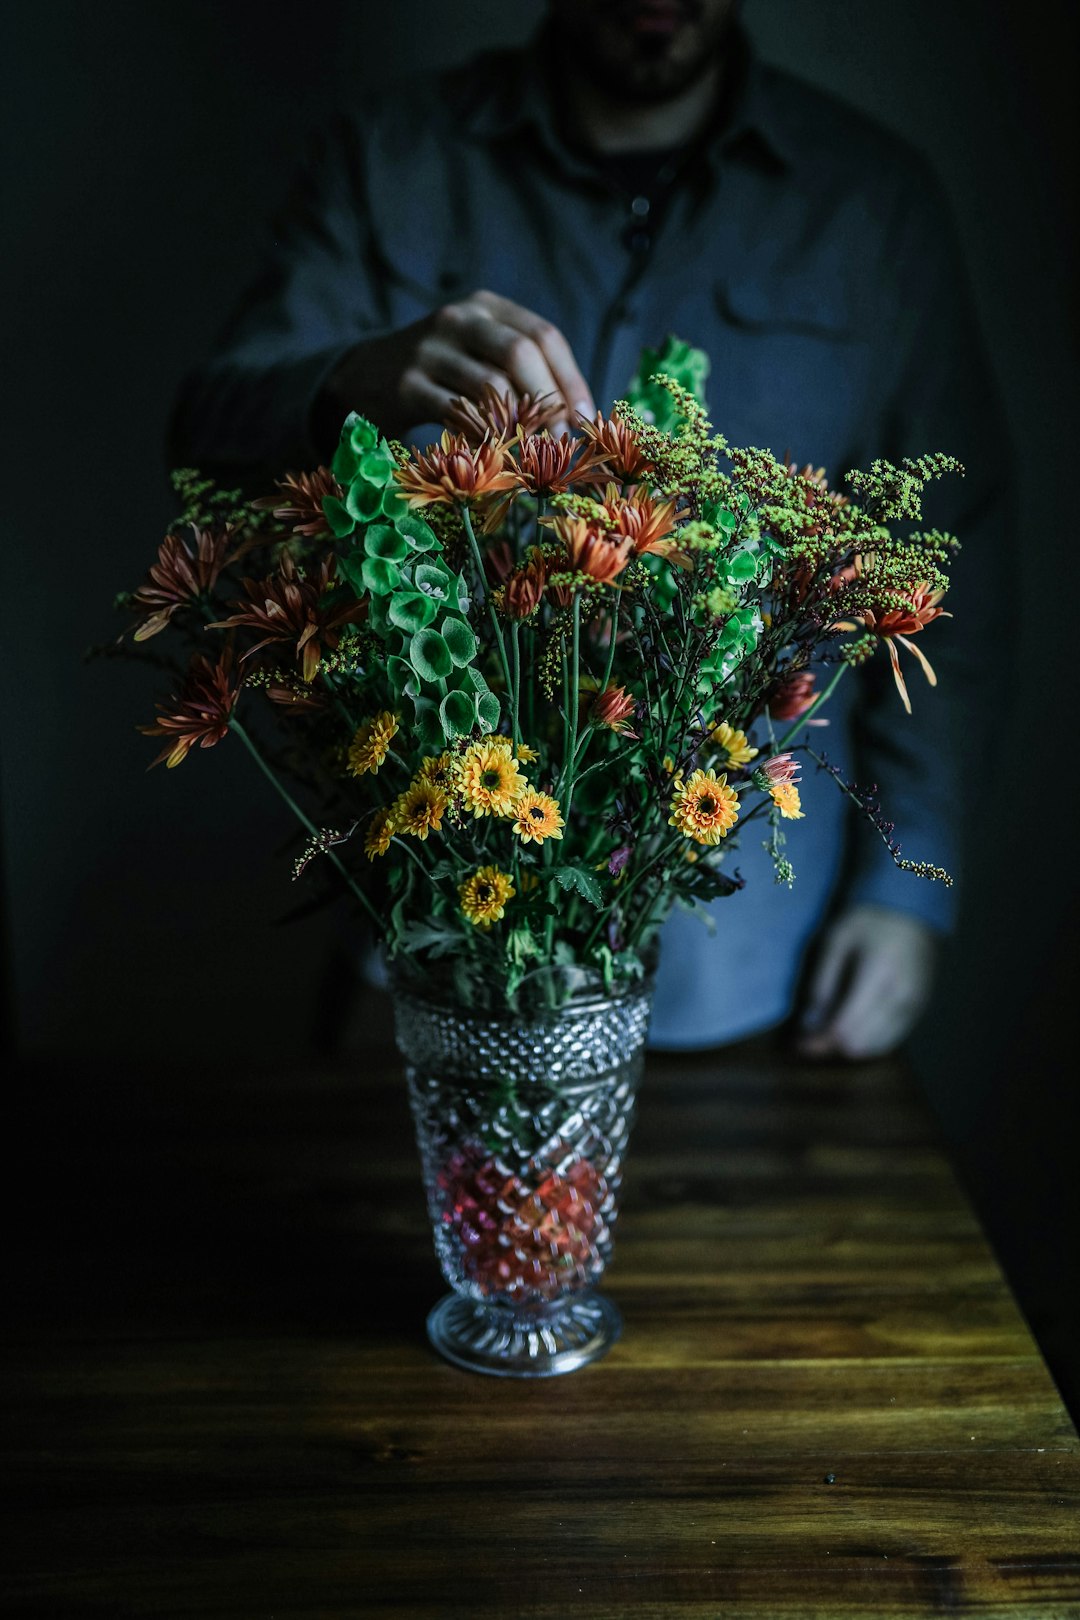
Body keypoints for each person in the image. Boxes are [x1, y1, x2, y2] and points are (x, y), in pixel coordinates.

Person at [171, 0, 1007, 1059]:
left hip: (748, 973)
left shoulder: (872, 201)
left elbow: (952, 562)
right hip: (430, 949)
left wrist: (908, 886)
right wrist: (355, 377)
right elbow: (203, 440)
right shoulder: (394, 157)